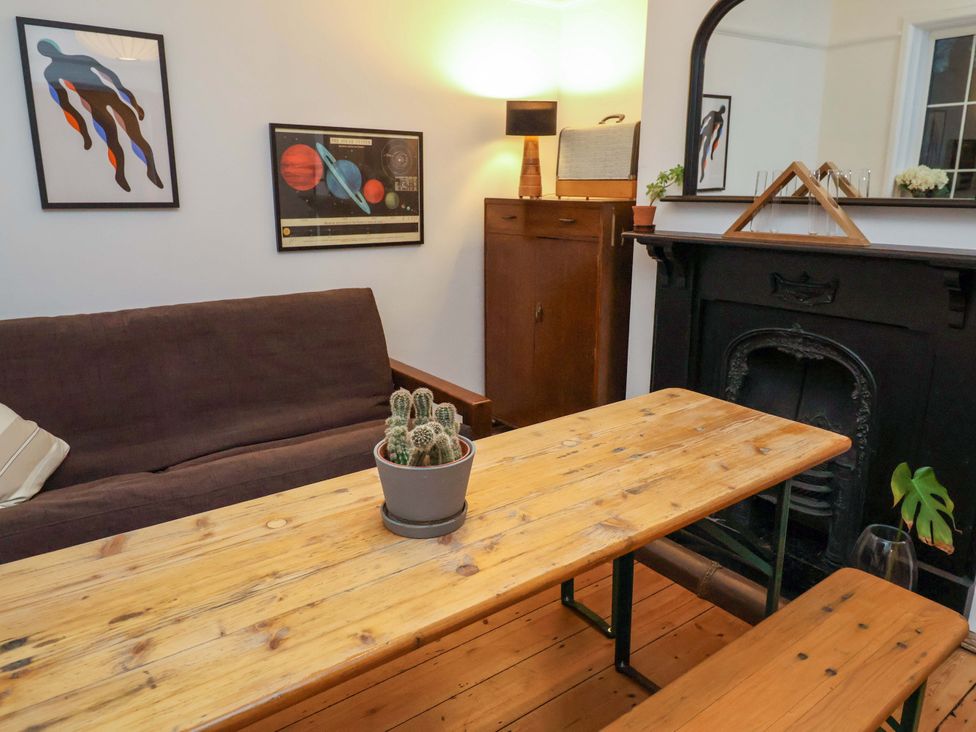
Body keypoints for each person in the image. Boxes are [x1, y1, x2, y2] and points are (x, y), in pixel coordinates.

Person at [37, 39, 163, 192]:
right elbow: (111, 78)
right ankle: (124, 174)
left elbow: (66, 104)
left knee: (123, 139)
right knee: (122, 139)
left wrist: (84, 132)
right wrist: (84, 132)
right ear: (55, 47)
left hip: (101, 102)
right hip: (102, 102)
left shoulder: (55, 70)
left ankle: (142, 172)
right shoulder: (77, 61)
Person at [698, 104, 726, 183]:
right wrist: (712, 152)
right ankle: (702, 173)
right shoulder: (721, 120)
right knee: (703, 154)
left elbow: (704, 119)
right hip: (707, 134)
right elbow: (717, 137)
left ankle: (702, 174)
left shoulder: (713, 113)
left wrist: (701, 128)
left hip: (705, 133)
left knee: (702, 154)